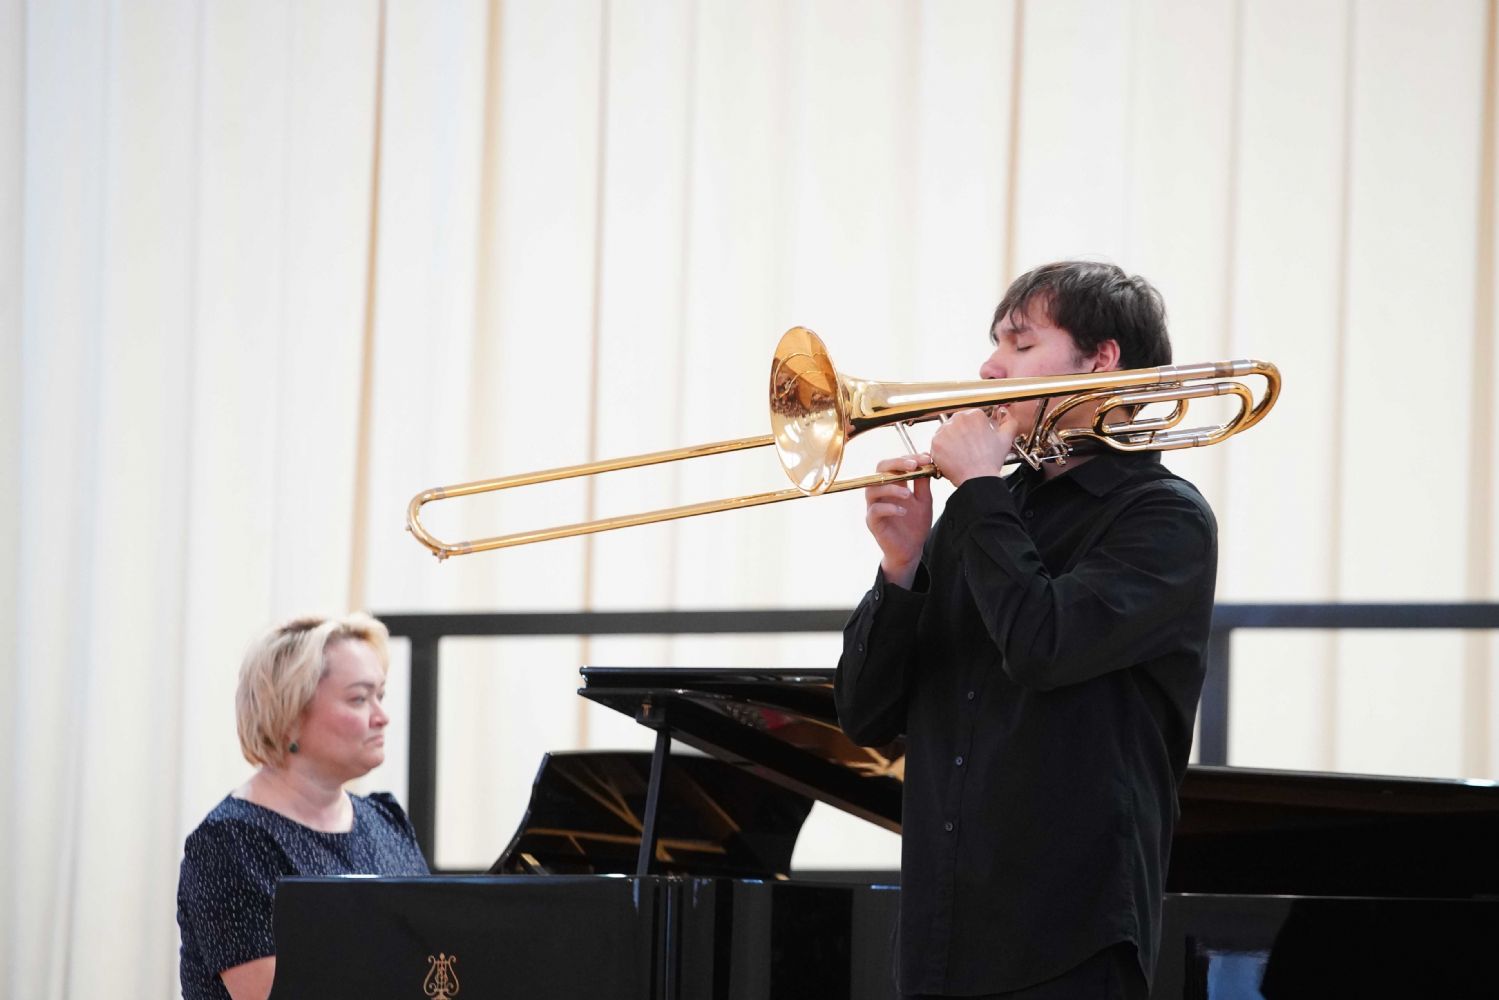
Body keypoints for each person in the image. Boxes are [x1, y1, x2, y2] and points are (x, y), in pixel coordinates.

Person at [836, 261, 1218, 1000]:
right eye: (995, 344)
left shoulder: (1165, 518)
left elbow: (1043, 646)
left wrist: (979, 488)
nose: (989, 367)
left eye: (1019, 343)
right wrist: (901, 568)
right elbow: (863, 714)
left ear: (1100, 360)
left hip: (1067, 943)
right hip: (938, 942)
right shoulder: (983, 516)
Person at [177, 613, 430, 1000]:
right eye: (359, 699)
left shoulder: (386, 822)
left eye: (380, 696)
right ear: (290, 715)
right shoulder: (230, 844)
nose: (382, 717)